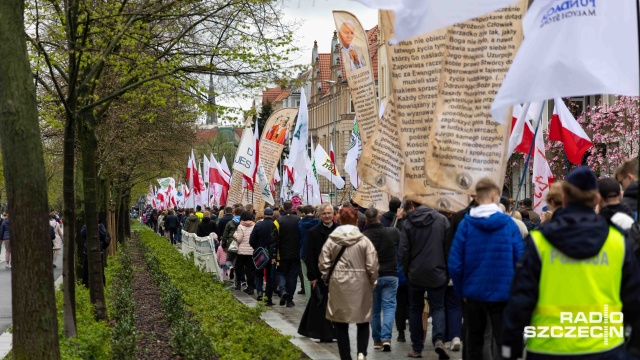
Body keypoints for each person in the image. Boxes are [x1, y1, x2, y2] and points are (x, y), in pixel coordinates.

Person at [502, 166, 640, 359]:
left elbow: (520, 299)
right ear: (597, 199)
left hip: (549, 347)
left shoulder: (540, 242)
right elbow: (633, 300)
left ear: (564, 198)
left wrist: (510, 347)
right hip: (605, 347)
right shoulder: (617, 241)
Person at [447, 178, 524, 359]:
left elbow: (455, 262)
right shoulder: (509, 225)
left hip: (473, 292)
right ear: (494, 195)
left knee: (474, 340)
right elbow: (520, 260)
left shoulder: (465, 225)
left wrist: (461, 291)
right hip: (503, 293)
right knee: (504, 341)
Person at [319, 207, 378, 360]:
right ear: (356, 221)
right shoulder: (364, 240)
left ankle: (345, 356)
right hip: (361, 283)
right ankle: (361, 353)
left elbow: (324, 262)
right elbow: (372, 265)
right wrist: (372, 281)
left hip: (338, 283)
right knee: (363, 319)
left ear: (339, 220)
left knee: (340, 321)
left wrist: (327, 278)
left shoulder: (332, 240)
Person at [399, 200, 450, 359]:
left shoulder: (408, 222)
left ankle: (417, 347)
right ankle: (439, 339)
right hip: (437, 272)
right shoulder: (442, 220)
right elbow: (448, 248)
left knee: (415, 309)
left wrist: (407, 271)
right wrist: (447, 271)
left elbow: (403, 251)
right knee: (438, 307)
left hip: (415, 273)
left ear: (414, 205)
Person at [299, 204, 338, 342]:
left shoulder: (340, 230)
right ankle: (324, 333)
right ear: (320, 215)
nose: (327, 216)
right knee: (322, 304)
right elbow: (310, 255)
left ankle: (336, 332)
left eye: (329, 213)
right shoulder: (313, 232)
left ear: (333, 214)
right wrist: (312, 276)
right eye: (324, 213)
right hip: (321, 275)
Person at [363, 208, 399, 352]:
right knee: (389, 307)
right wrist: (399, 219)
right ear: (379, 217)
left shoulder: (363, 237)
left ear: (366, 221)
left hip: (372, 276)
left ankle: (377, 340)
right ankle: (386, 338)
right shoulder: (393, 232)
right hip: (390, 274)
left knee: (375, 309)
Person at [271, 200, 301, 307]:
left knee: (282, 273)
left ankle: (283, 290)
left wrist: (274, 255)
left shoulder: (277, 221)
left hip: (282, 253)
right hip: (296, 253)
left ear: (283, 208)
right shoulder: (299, 220)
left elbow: (274, 240)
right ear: (292, 207)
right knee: (292, 276)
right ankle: (289, 300)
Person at [250, 207, 277, 304]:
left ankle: (260, 292)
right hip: (271, 254)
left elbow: (251, 240)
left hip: (260, 254)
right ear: (272, 215)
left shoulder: (258, 225)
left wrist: (257, 249)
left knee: (258, 273)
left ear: (264, 214)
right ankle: (268, 298)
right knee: (269, 276)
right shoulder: (274, 225)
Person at [298, 205, 320, 298]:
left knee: (306, 278)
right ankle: (317, 298)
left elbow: (298, 237)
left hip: (304, 251)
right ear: (314, 212)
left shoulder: (300, 223)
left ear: (304, 213)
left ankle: (308, 299)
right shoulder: (319, 223)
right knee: (318, 276)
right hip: (316, 253)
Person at [234, 211, 256, 295]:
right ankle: (250, 287)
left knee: (239, 268)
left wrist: (235, 234)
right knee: (250, 270)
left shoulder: (240, 226)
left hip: (242, 251)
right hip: (251, 251)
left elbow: (239, 239)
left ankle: (238, 284)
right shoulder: (254, 225)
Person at [222, 206, 243, 287]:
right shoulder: (243, 223)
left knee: (228, 259)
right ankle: (238, 283)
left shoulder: (230, 223)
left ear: (234, 213)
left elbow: (225, 235)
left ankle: (230, 267)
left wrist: (224, 244)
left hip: (231, 244)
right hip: (241, 245)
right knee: (239, 264)